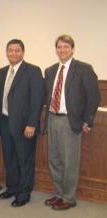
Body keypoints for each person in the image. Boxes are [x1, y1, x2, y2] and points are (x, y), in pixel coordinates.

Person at [44, 35, 100, 210]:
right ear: (56, 50)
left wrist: (88, 120)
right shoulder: (50, 70)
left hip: (71, 122)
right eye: (59, 47)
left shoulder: (83, 69)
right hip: (52, 118)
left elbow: (94, 97)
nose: (62, 50)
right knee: (54, 159)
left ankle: (69, 198)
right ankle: (59, 194)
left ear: (72, 49)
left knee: (70, 162)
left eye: (66, 47)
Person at [0, 39, 44, 207]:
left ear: (23, 52)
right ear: (7, 52)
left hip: (25, 125)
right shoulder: (1, 73)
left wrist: (32, 123)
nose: (14, 53)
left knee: (24, 159)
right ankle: (12, 187)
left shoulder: (33, 71)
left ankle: (24, 193)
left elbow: (37, 100)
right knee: (9, 158)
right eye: (10, 50)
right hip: (4, 121)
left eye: (17, 50)